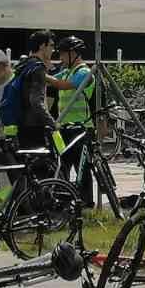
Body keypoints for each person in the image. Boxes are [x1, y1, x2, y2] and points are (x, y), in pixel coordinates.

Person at [51, 37, 96, 203]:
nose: (61, 58)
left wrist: (46, 77)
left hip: (81, 128)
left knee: (82, 168)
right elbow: (55, 79)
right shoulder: (67, 70)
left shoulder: (84, 72)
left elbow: (64, 85)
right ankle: (65, 201)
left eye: (63, 54)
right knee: (63, 166)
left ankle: (86, 203)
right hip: (65, 128)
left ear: (73, 54)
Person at [12, 31, 58, 151]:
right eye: (51, 46)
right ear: (42, 46)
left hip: (20, 122)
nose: (53, 50)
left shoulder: (24, 65)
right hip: (35, 125)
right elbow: (36, 101)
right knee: (42, 166)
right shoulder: (38, 68)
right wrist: (52, 122)